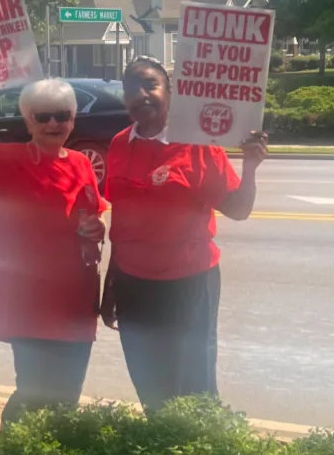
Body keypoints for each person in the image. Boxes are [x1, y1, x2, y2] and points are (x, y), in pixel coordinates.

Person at [0, 54, 107, 426]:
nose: (54, 123)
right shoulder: (5, 159)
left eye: (62, 115)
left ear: (72, 119)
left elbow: (93, 215)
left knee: (67, 394)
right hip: (28, 298)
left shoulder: (83, 163)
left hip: (76, 297)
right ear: (28, 120)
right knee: (34, 390)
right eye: (43, 116)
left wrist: (98, 229)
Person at [102, 56, 268, 411]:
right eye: (132, 88)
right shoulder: (119, 144)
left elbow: (238, 210)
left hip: (189, 284)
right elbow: (122, 222)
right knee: (148, 377)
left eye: (150, 84)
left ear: (171, 91)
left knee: (194, 384)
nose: (141, 94)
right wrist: (111, 284)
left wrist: (250, 167)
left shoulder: (198, 145)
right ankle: (164, 454)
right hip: (132, 284)